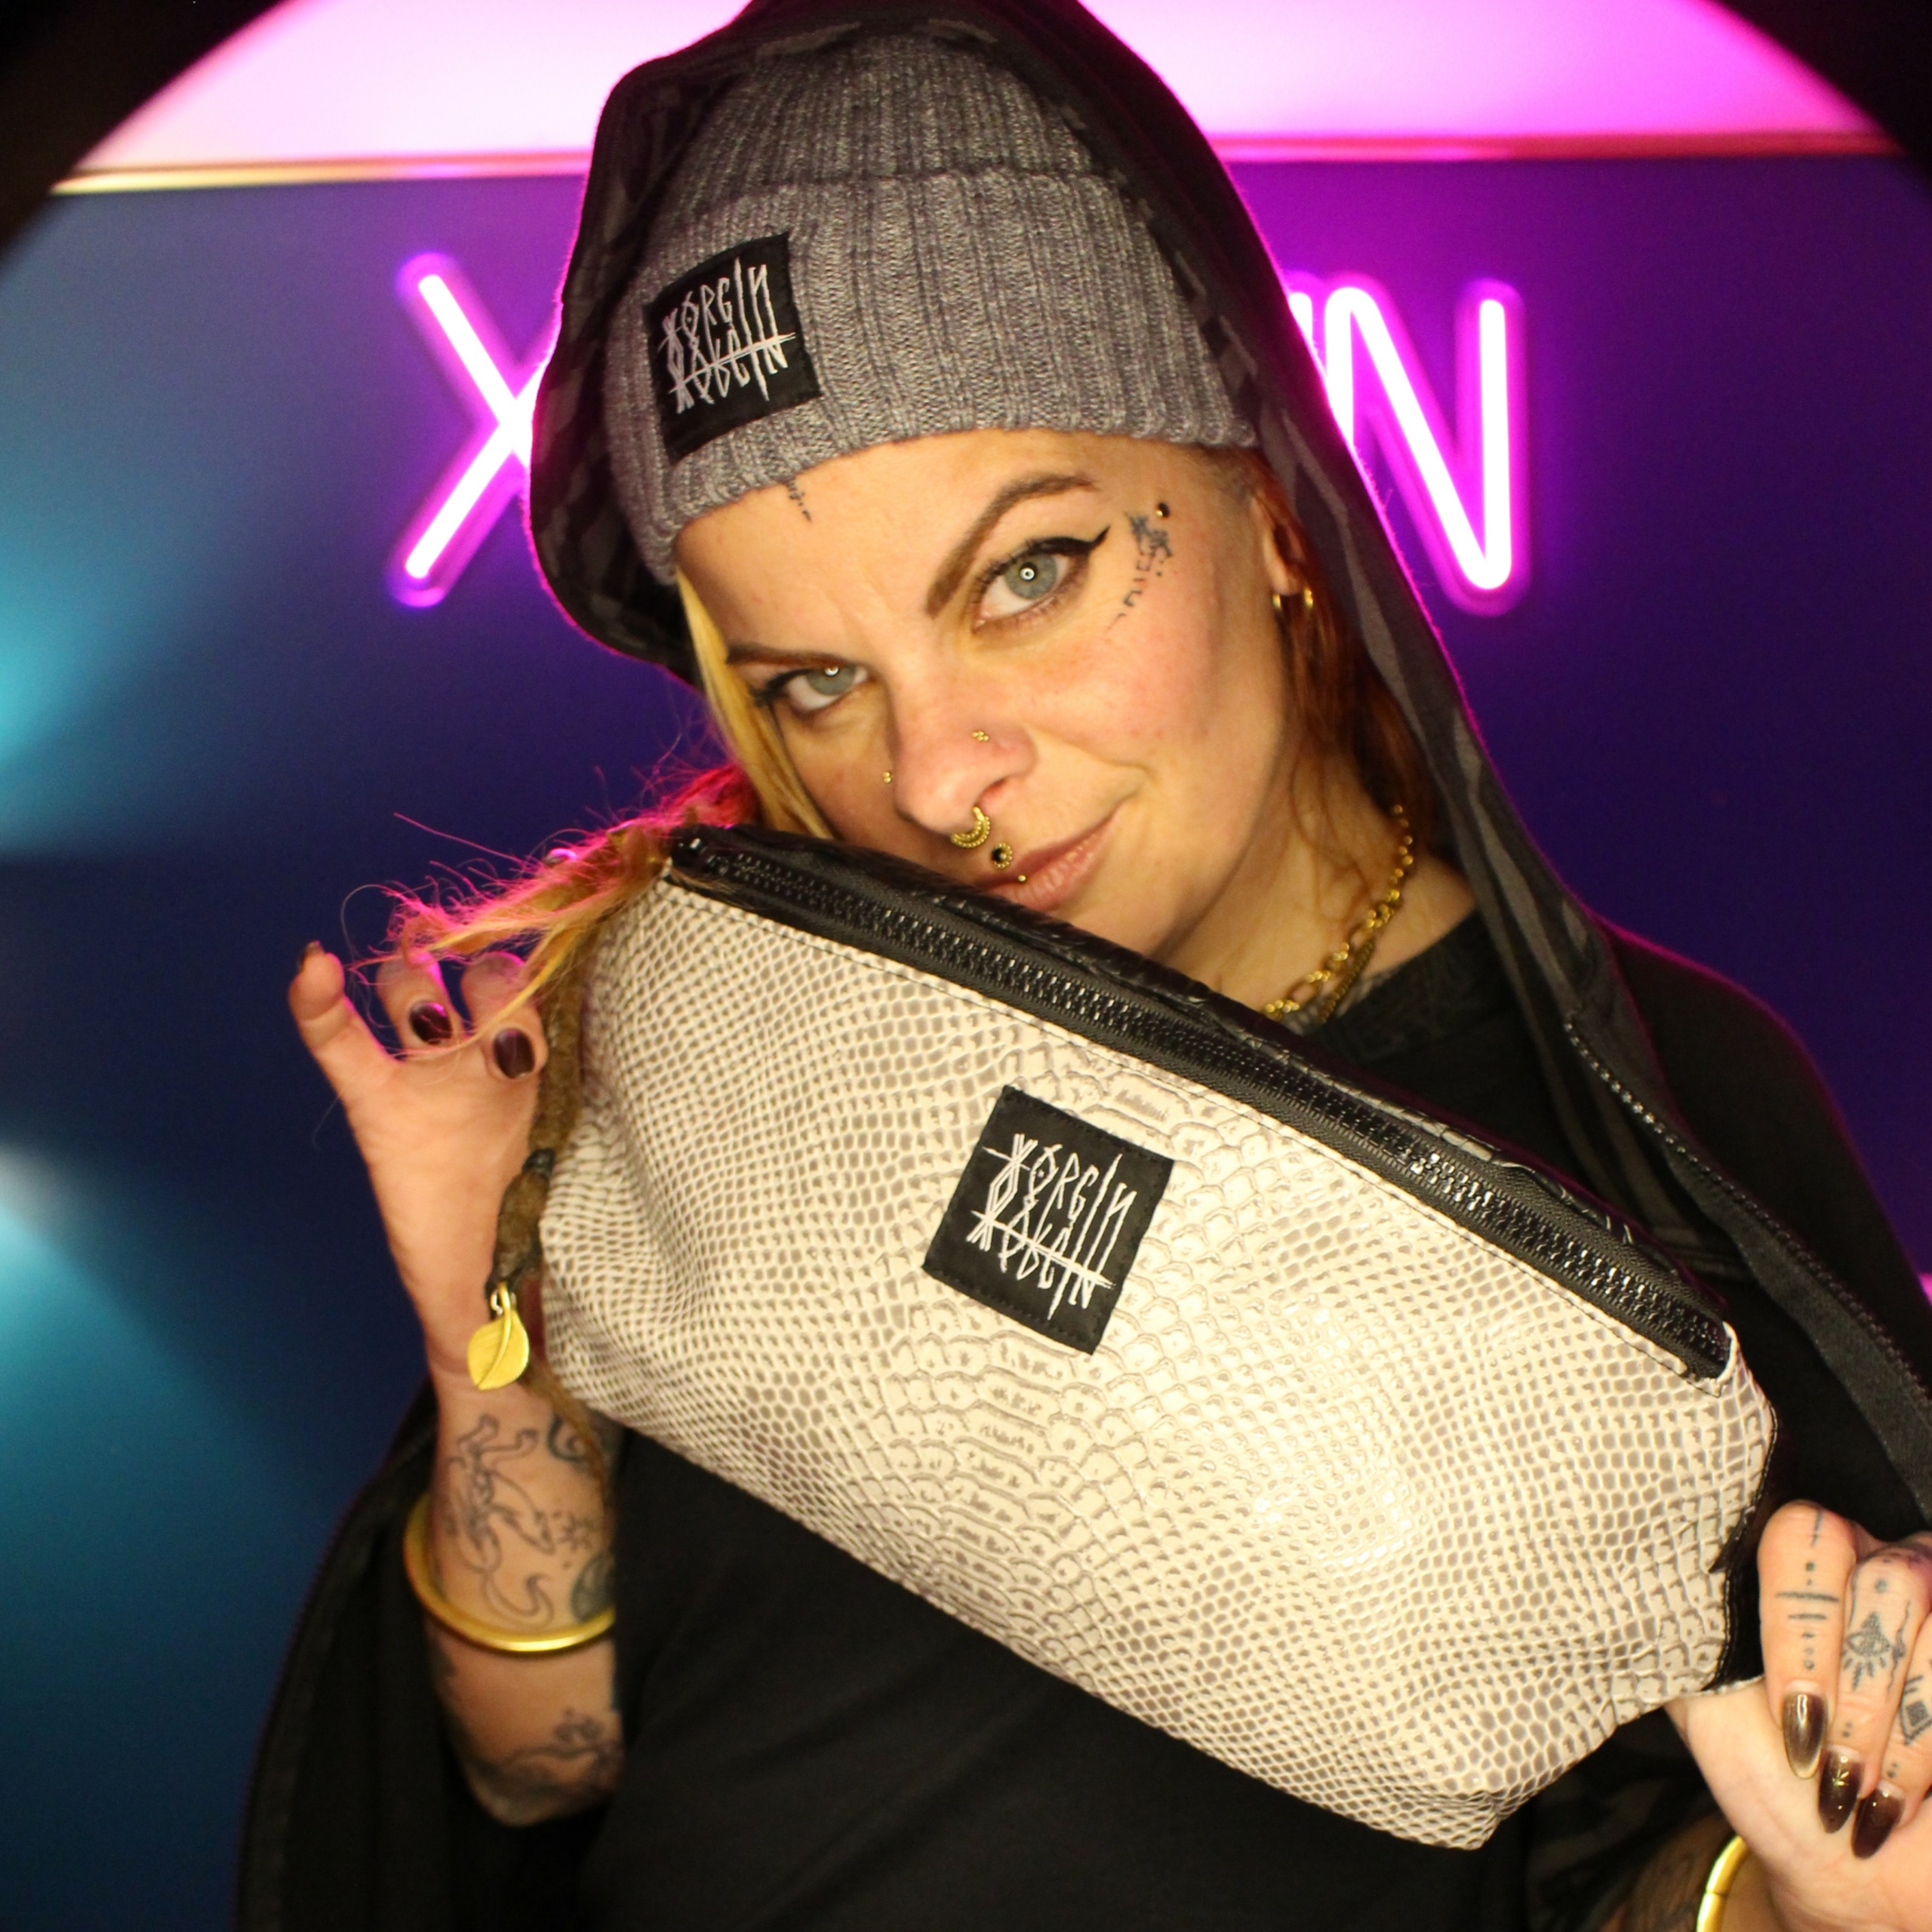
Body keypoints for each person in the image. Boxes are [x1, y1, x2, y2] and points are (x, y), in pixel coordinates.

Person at [244, 4, 1932, 1928]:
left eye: (1025, 576)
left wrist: (1790, 1899)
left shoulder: (1659, 1113)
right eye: (816, 682)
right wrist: (495, 1316)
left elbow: (1670, 1865)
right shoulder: (728, 1032)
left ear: (1267, 501)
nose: (934, 774)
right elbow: (539, 1767)